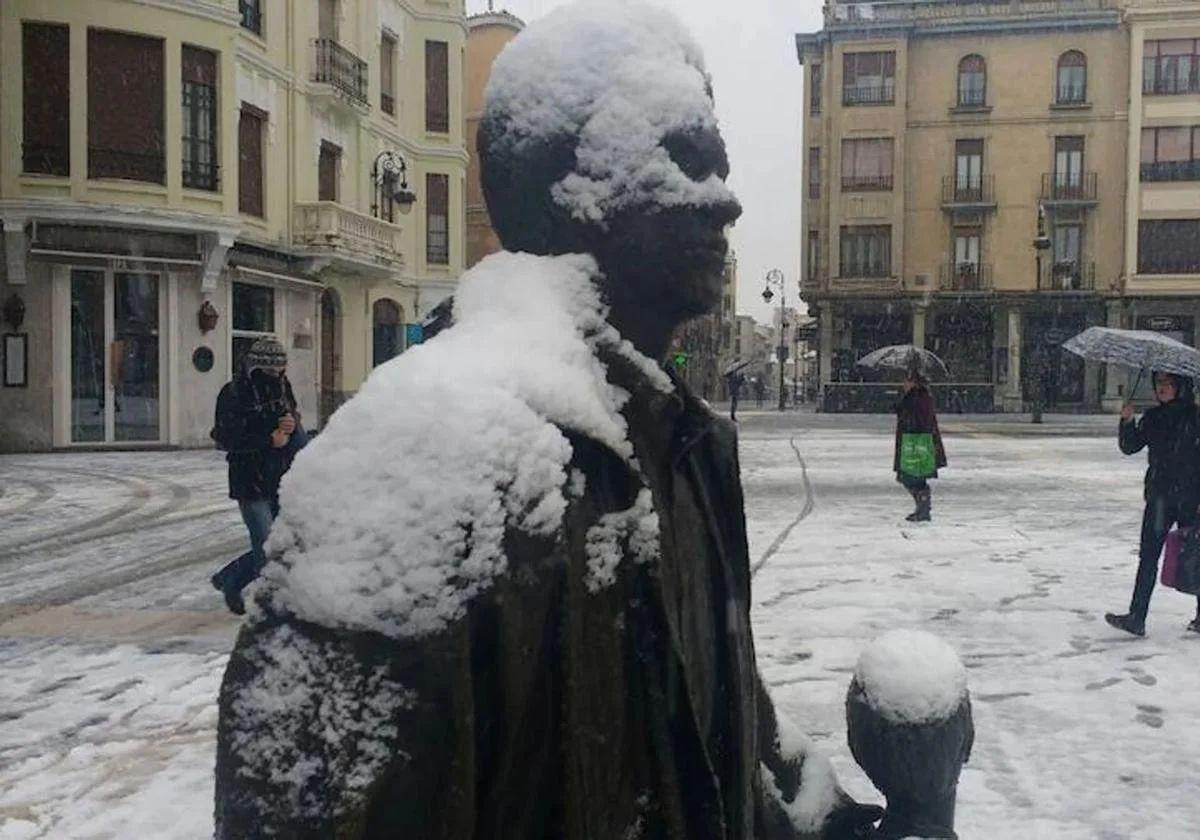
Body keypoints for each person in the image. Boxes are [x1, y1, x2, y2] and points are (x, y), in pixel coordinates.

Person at [214, 4, 881, 838]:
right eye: (688, 161)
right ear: (574, 191)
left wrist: (838, 823)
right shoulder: (433, 459)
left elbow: (725, 740)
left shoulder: (690, 446)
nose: (728, 200)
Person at [209, 337, 307, 615]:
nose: (276, 375)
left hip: (279, 477)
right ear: (257, 368)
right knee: (266, 545)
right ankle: (269, 609)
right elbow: (224, 436)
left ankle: (232, 577)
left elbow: (291, 421)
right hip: (249, 478)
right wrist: (267, 439)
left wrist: (292, 424)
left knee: (280, 545)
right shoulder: (234, 392)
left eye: (280, 370)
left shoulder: (283, 387)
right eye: (271, 371)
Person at [1105, 371, 1200, 637]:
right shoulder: (1154, 417)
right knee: (1148, 556)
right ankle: (1137, 616)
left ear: (1181, 386)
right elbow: (1130, 446)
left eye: (1168, 384)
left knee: (1196, 554)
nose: (1162, 388)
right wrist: (1126, 422)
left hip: (1191, 498)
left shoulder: (1195, 417)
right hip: (1160, 497)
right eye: (1159, 384)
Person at [894, 367, 947, 523]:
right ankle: (922, 506)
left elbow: (921, 419)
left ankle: (923, 506)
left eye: (907, 381)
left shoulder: (921, 397)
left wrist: (906, 411)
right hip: (912, 441)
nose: (904, 384)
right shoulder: (913, 396)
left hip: (917, 442)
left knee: (912, 476)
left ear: (914, 382)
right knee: (910, 475)